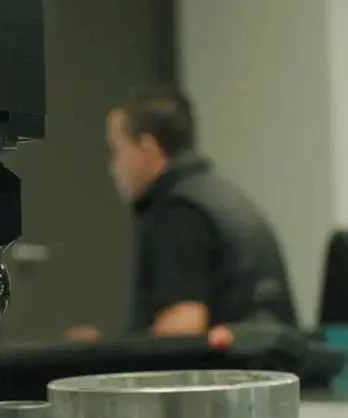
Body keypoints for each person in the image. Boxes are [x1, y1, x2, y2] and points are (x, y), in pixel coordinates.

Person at [67, 86, 296, 343]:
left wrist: (104, 359)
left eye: (118, 151)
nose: (113, 167)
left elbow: (182, 328)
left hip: (221, 374)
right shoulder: (220, 196)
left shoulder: (179, 212)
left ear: (147, 148)